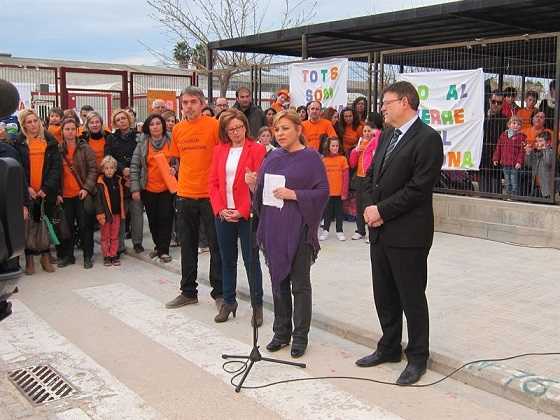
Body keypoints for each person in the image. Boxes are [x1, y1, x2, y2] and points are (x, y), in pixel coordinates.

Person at [356, 81, 443, 386]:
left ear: (405, 102)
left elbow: (418, 189)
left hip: (408, 234)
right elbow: (370, 176)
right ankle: (389, 347)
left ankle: (417, 357)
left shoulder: (428, 139)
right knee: (384, 294)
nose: (382, 109)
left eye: (386, 103)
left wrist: (381, 210)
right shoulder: (387, 136)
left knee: (411, 297)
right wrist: (368, 208)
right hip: (380, 231)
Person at [253, 110, 329, 358]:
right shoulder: (272, 157)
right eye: (277, 129)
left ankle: (300, 336)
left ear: (299, 129)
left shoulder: (311, 159)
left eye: (285, 128)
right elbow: (261, 196)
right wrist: (253, 184)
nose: (280, 133)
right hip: (274, 229)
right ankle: (281, 332)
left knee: (300, 285)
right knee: (278, 283)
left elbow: (322, 194)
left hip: (299, 230)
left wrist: (294, 194)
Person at [165, 87, 223, 309]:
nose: (188, 106)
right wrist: (172, 167)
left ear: (202, 104)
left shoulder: (215, 126)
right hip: (185, 194)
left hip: (210, 195)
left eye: (193, 102)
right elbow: (175, 158)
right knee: (187, 246)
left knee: (216, 246)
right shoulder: (178, 129)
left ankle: (219, 293)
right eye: (185, 102)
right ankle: (188, 292)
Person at [209, 109, 266, 324]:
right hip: (224, 214)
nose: (236, 132)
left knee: (251, 261)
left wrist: (241, 210)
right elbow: (213, 183)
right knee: (227, 260)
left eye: (239, 127)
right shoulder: (219, 150)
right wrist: (221, 209)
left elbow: (258, 184)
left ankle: (257, 305)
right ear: (225, 131)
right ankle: (229, 301)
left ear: (245, 127)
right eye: (231, 129)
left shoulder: (257, 149)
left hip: (247, 214)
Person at [14, 109, 61, 275]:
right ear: (24, 125)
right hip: (27, 192)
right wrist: (26, 187)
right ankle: (29, 259)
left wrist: (45, 188)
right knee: (29, 227)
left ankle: (45, 256)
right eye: (29, 122)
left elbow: (56, 168)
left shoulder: (50, 140)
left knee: (45, 225)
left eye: (35, 121)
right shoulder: (18, 143)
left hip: (45, 192)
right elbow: (17, 168)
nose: (33, 124)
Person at [130, 114, 176, 263]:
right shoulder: (142, 143)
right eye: (152, 124)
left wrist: (175, 168)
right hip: (148, 188)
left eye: (158, 123)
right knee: (153, 220)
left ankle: (164, 250)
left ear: (163, 125)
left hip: (167, 189)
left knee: (166, 218)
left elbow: (180, 160)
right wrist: (135, 188)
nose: (155, 126)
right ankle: (158, 246)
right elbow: (135, 167)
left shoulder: (171, 140)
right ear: (148, 127)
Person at [57, 118, 98, 269]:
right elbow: (54, 173)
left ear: (77, 131)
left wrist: (86, 188)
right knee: (66, 227)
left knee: (85, 226)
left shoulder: (84, 148)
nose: (70, 132)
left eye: (72, 129)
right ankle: (69, 256)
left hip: (82, 194)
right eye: (67, 129)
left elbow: (94, 169)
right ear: (62, 131)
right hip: (65, 196)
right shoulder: (58, 149)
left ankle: (88, 256)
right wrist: (57, 193)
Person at [105, 109, 144, 254]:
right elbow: (108, 157)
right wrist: (122, 170)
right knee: (120, 214)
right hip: (118, 179)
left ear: (129, 120)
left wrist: (132, 173)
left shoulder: (139, 137)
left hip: (135, 178)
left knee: (137, 212)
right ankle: (119, 244)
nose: (122, 121)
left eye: (124, 118)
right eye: (118, 119)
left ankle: (137, 242)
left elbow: (142, 156)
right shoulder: (111, 138)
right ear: (115, 122)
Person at [348, 115, 383, 242]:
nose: (367, 133)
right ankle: (360, 230)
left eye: (369, 131)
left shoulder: (376, 142)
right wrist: (355, 151)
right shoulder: (360, 143)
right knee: (359, 206)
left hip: (370, 179)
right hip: (359, 178)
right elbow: (352, 163)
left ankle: (371, 232)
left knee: (369, 205)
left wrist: (376, 132)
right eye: (365, 131)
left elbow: (379, 135)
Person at [95, 155, 125, 266]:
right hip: (105, 214)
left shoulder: (119, 180)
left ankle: (113, 254)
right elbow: (98, 201)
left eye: (111, 168)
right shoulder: (100, 183)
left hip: (116, 213)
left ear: (115, 169)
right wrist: (100, 214)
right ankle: (106, 255)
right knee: (105, 236)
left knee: (114, 235)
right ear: (103, 169)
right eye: (106, 168)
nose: (109, 171)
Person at [319, 137, 349, 241]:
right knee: (327, 213)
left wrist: (344, 191)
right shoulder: (324, 160)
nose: (335, 148)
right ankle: (325, 230)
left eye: (337, 146)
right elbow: (321, 178)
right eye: (333, 146)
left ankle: (339, 231)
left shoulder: (343, 159)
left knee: (339, 213)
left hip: (339, 192)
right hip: (327, 193)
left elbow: (346, 177)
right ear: (328, 147)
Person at [480, 92, 507, 194]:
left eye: (499, 102)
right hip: (482, 155)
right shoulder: (480, 116)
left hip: (497, 157)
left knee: (496, 190)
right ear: (489, 101)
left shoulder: (504, 120)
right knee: (483, 190)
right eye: (493, 101)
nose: (496, 104)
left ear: (502, 104)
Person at [492, 115, 526, 196]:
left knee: (514, 181)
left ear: (520, 126)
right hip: (505, 162)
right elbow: (498, 147)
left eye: (518, 124)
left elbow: (522, 151)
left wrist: (519, 162)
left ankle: (514, 196)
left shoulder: (522, 137)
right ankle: (508, 195)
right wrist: (495, 158)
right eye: (514, 123)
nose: (516, 125)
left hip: (514, 164)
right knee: (507, 181)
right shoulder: (503, 135)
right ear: (509, 125)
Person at [525, 131, 555, 199]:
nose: (537, 143)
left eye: (540, 141)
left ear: (548, 142)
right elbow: (528, 164)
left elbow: (548, 162)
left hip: (547, 188)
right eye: (537, 141)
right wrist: (528, 153)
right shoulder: (536, 153)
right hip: (536, 186)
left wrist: (545, 148)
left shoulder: (551, 152)